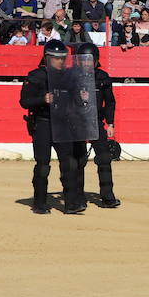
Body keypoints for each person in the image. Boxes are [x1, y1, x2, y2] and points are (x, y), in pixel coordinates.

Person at [18, 40, 85, 214]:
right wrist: (42, 99)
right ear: (47, 58)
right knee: (43, 165)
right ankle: (39, 203)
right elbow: (24, 102)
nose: (61, 61)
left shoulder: (68, 76)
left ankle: (71, 203)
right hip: (42, 123)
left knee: (69, 164)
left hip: (63, 124)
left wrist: (82, 98)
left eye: (63, 58)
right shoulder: (36, 76)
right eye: (56, 58)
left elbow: (75, 101)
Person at [76, 42, 120, 208]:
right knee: (78, 161)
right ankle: (78, 197)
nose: (87, 63)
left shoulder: (103, 77)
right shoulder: (72, 76)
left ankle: (107, 196)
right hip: (76, 123)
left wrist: (110, 123)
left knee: (104, 158)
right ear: (79, 61)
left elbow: (110, 103)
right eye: (84, 60)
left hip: (96, 122)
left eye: (90, 60)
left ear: (95, 61)